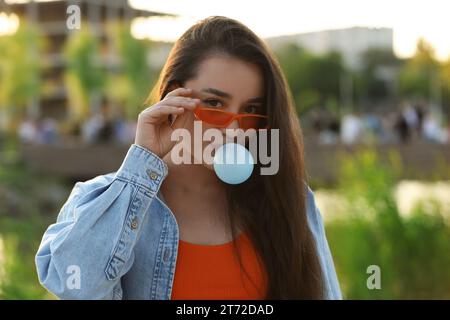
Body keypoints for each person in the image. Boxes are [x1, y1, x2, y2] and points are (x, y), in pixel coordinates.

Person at [35, 16, 341, 300]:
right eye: (214, 103)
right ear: (173, 97)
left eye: (250, 111)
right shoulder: (107, 201)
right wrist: (142, 163)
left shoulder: (290, 199)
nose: (234, 130)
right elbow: (75, 286)